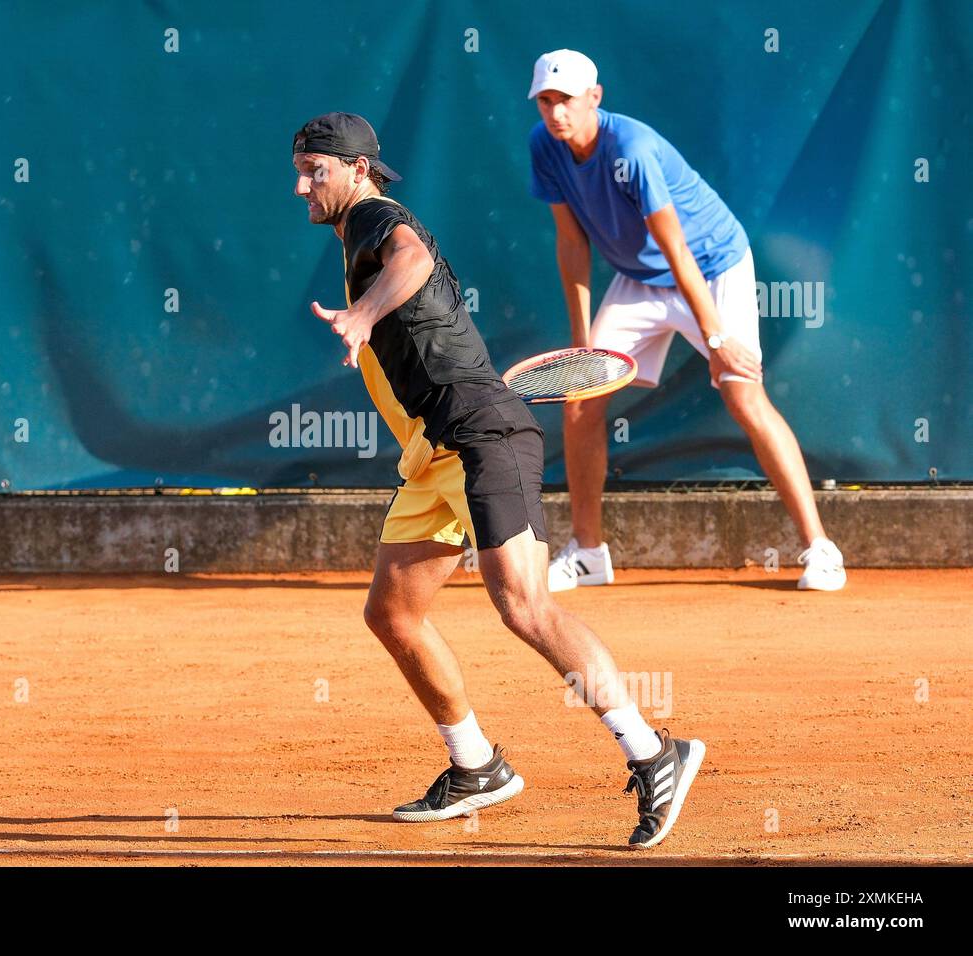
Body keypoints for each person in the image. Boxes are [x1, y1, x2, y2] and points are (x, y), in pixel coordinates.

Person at [291, 111, 705, 848]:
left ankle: (653, 752)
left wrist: (363, 314)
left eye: (315, 169)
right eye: (300, 169)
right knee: (393, 614)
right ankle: (476, 765)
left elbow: (412, 259)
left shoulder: (375, 218)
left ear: (357, 170)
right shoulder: (354, 232)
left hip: (483, 434)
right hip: (433, 452)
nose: (302, 185)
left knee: (525, 607)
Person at [526, 49, 847, 592]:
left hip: (711, 266)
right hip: (639, 278)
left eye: (567, 101)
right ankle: (588, 552)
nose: (557, 113)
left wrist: (716, 337)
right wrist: (583, 345)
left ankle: (821, 549)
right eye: (546, 101)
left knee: (744, 395)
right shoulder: (545, 148)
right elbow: (571, 241)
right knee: (581, 402)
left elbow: (677, 248)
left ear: (595, 99)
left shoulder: (633, 148)